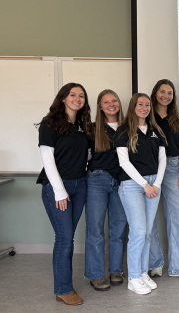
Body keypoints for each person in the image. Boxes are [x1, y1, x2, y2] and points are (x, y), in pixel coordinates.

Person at [37, 83, 92, 305]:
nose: (77, 99)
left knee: (66, 237)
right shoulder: (50, 123)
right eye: (72, 95)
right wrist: (60, 191)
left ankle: (63, 286)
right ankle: (63, 289)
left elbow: (85, 155)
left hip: (80, 185)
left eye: (81, 96)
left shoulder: (82, 126)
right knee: (64, 239)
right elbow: (47, 158)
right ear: (63, 98)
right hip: (57, 188)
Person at [115, 93, 167, 295]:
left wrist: (157, 184)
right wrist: (145, 184)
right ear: (133, 106)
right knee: (137, 232)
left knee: (146, 232)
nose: (144, 108)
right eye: (140, 104)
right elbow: (123, 162)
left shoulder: (156, 131)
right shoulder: (124, 130)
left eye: (147, 105)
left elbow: (162, 159)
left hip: (155, 185)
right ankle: (134, 277)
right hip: (133, 185)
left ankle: (143, 272)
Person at [148, 79, 179, 279]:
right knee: (147, 219)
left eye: (169, 92)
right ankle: (154, 264)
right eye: (162, 91)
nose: (166, 95)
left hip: (173, 167)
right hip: (148, 167)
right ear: (155, 93)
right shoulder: (146, 114)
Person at [85, 90, 127, 291]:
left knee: (118, 229)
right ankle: (96, 274)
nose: (111, 104)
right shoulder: (92, 129)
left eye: (114, 100)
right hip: (97, 181)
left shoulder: (129, 128)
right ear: (100, 106)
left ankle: (116, 270)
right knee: (95, 229)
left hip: (121, 182)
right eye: (106, 102)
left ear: (119, 103)